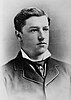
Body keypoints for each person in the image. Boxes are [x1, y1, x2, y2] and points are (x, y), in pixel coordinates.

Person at [2, 7, 71, 100]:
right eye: (34, 30)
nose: (42, 37)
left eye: (45, 29)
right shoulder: (4, 75)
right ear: (19, 35)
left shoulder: (68, 70)